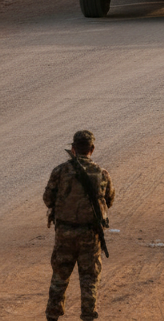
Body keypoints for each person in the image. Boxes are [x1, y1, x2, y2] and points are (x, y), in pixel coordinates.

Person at [43, 130, 115, 321]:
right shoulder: (102, 173)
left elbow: (47, 199)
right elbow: (109, 200)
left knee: (60, 276)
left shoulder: (59, 171)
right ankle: (88, 316)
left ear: (73, 149)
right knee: (89, 279)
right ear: (92, 149)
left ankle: (52, 316)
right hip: (90, 235)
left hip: (64, 234)